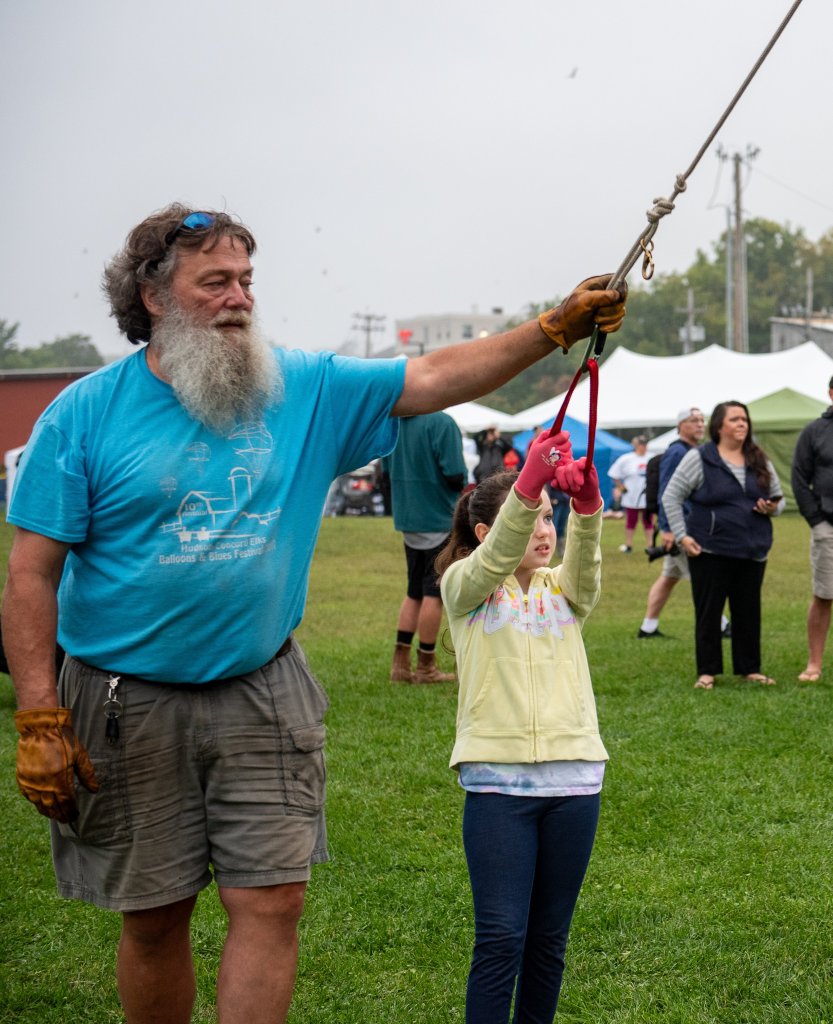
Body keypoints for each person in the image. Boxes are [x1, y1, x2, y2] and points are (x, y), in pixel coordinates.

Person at [0, 202, 627, 1024]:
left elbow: (436, 375)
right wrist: (40, 716)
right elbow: (30, 574)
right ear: (152, 296)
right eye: (214, 282)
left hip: (263, 687)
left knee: (274, 902)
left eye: (246, 281)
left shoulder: (300, 388)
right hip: (125, 700)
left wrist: (551, 327)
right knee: (154, 919)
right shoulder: (83, 415)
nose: (239, 298)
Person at [436, 429, 606, 1023]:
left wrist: (585, 508)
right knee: (502, 938)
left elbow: (584, 565)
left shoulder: (565, 591)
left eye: (549, 517)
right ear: (488, 534)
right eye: (531, 517)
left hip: (575, 784)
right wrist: (529, 483)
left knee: (547, 944)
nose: (543, 529)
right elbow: (492, 562)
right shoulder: (464, 589)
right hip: (498, 789)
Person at [662, 401, 784, 690]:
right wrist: (682, 535)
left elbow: (779, 499)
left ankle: (750, 668)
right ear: (720, 426)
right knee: (708, 612)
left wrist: (771, 508)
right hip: (710, 549)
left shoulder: (758, 458)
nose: (742, 423)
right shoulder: (700, 457)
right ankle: (707, 672)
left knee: (748, 611)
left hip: (752, 547)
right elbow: (671, 497)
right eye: (735, 419)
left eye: (744, 419)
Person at [383, 412, 466, 684]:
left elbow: (384, 471)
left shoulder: (395, 420)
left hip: (408, 519)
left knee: (414, 591)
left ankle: (400, 665)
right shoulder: (442, 423)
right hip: (439, 518)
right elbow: (455, 475)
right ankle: (426, 667)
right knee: (434, 594)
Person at [637, 407, 706, 638]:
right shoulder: (677, 452)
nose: (699, 424)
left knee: (669, 578)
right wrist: (667, 528)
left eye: (701, 420)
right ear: (680, 426)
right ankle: (721, 624)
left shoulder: (692, 450)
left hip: (683, 523)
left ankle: (648, 627)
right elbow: (667, 491)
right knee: (702, 577)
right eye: (693, 420)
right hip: (680, 527)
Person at [791, 376, 833, 683]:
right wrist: (816, 521)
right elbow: (798, 478)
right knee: (824, 595)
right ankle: (814, 663)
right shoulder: (815, 431)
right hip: (827, 526)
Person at [607, 435, 652, 552]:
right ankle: (629, 545)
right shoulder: (626, 458)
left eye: (645, 444)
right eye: (641, 444)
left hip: (647, 496)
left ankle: (650, 546)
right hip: (631, 496)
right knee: (631, 521)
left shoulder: (651, 458)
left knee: (648, 521)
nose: (643, 447)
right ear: (636, 446)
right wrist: (620, 487)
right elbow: (614, 473)